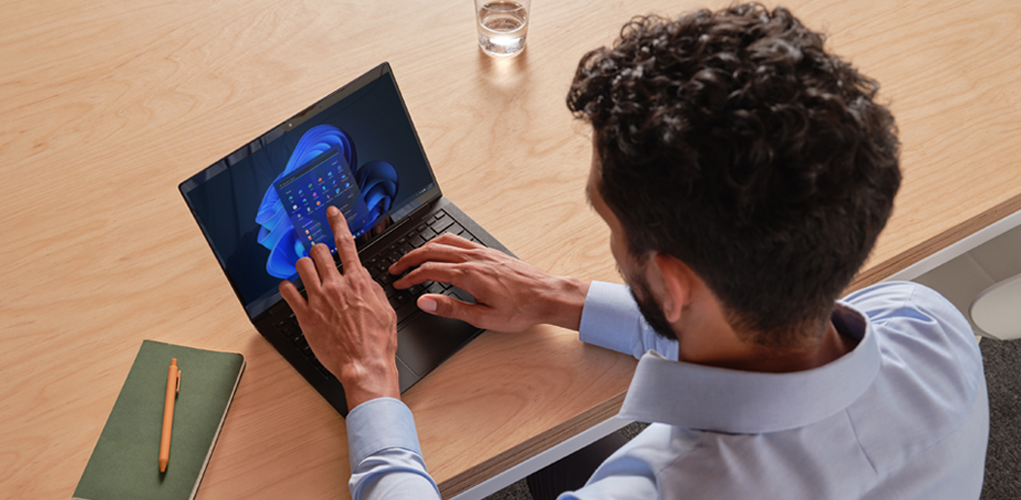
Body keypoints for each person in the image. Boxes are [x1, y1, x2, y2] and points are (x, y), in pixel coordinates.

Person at [279, 3, 989, 499]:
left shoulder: (658, 486)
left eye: (608, 220)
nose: (610, 241)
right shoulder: (929, 325)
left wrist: (370, 380)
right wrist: (562, 297)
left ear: (672, 284)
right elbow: (758, 337)